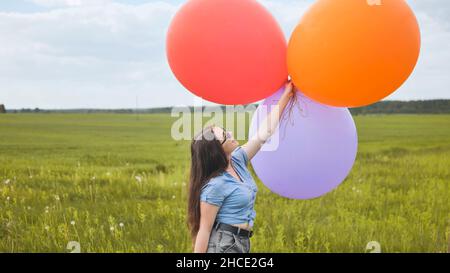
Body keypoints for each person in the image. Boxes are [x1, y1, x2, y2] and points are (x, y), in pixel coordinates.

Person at [187, 81, 295, 253]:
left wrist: (286, 96)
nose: (230, 134)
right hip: (224, 246)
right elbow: (204, 231)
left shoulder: (237, 160)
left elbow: (263, 134)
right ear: (216, 151)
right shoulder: (215, 185)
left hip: (241, 243)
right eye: (225, 136)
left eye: (225, 131)